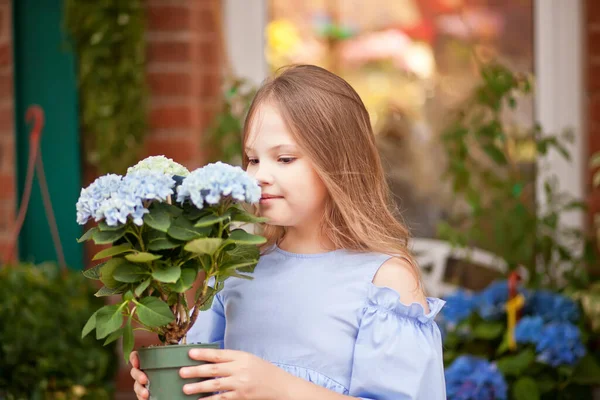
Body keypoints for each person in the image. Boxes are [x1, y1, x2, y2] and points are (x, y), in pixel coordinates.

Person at [130, 64, 446, 399]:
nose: (259, 175)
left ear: (337, 163)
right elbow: (205, 384)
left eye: (283, 159)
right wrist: (167, 385)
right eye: (252, 160)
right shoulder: (233, 270)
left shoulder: (385, 283)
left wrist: (275, 386)